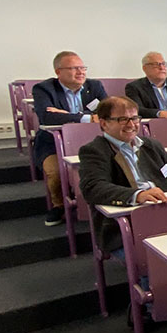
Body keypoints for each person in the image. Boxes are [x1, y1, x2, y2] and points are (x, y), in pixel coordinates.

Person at [78, 96, 167, 255]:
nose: (131, 125)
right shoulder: (94, 150)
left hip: (166, 212)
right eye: (123, 119)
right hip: (127, 222)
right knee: (155, 261)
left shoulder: (151, 145)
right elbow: (94, 187)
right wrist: (138, 195)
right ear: (104, 123)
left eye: (135, 118)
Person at [32, 51, 107, 226]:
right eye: (74, 68)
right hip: (53, 143)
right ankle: (58, 206)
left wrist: (68, 115)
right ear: (58, 72)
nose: (81, 72)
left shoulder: (94, 86)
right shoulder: (44, 89)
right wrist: (85, 117)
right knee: (56, 173)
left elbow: (107, 112)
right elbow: (47, 117)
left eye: (82, 68)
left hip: (90, 140)